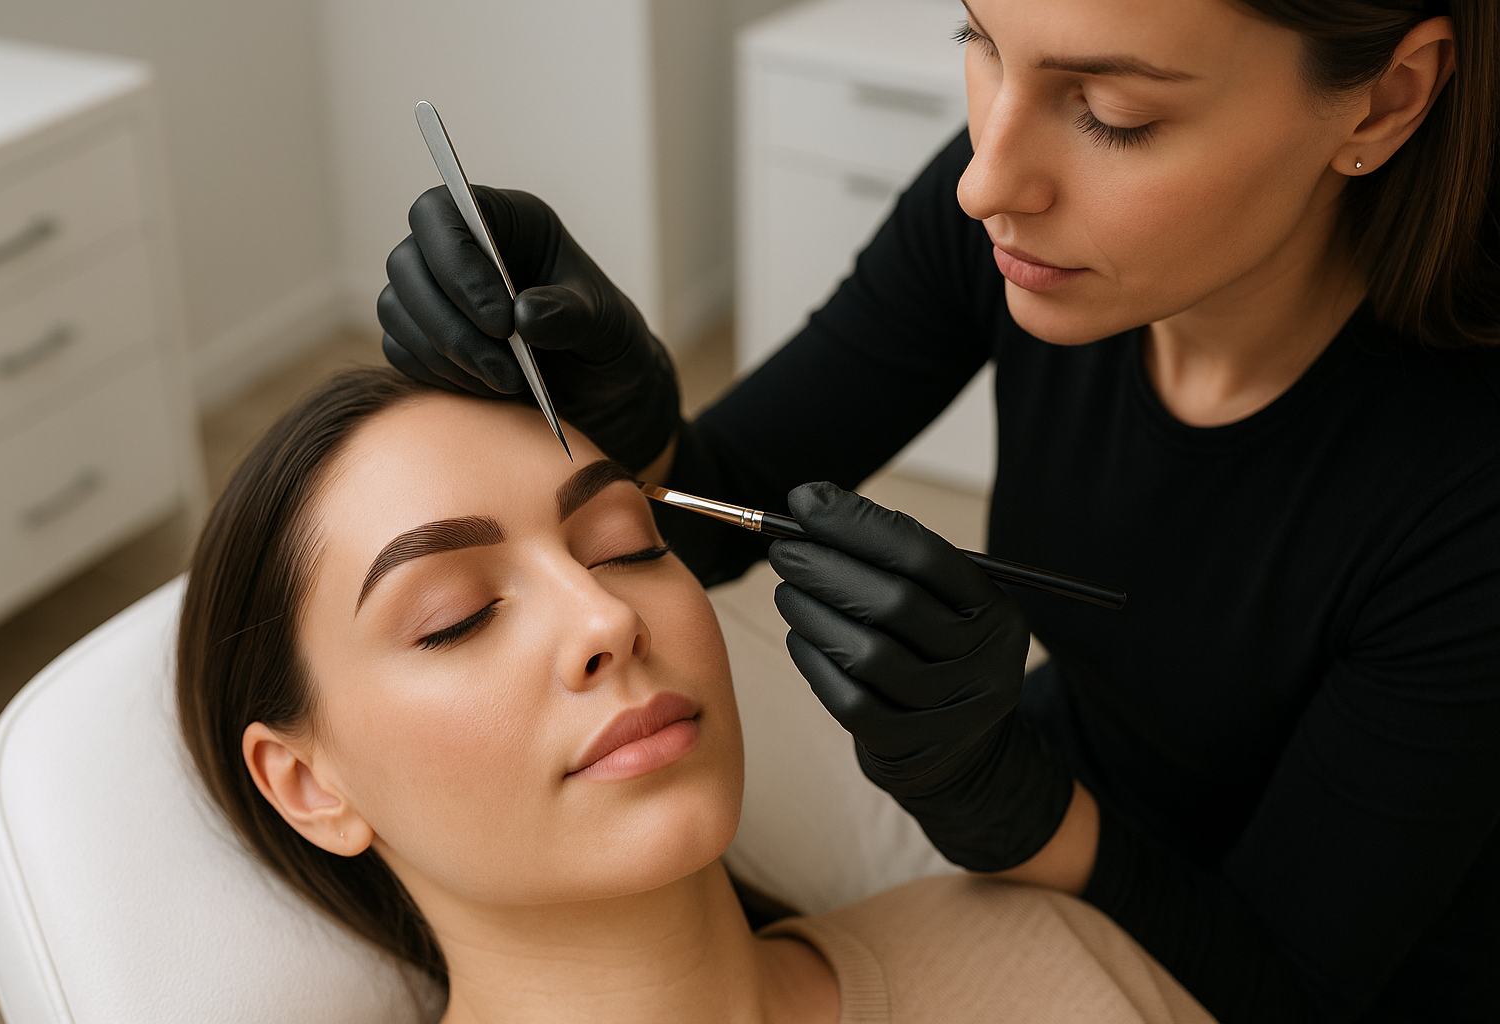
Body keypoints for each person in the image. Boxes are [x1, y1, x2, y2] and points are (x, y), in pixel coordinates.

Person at [373, 0, 1500, 1020]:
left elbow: (1291, 985)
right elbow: (715, 507)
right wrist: (624, 409)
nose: (983, 180)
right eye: (981, 44)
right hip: (1084, 815)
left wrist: (1007, 803)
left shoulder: (1462, 491)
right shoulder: (1018, 222)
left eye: (1112, 113)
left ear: (1388, 97)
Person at [176, 367, 1216, 1024]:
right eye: (454, 616)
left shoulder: (1038, 945)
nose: (604, 619)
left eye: (626, 546)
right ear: (309, 784)